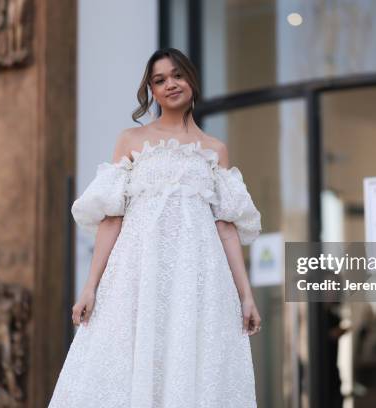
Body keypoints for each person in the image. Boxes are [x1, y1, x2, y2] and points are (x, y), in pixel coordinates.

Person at [48, 48, 262, 407]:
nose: (170, 85)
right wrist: (90, 287)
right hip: (137, 273)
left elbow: (226, 228)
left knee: (190, 361)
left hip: (199, 277)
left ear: (191, 79)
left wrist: (246, 295)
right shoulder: (131, 140)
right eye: (159, 80)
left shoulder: (214, 149)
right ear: (151, 90)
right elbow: (111, 218)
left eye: (177, 75)